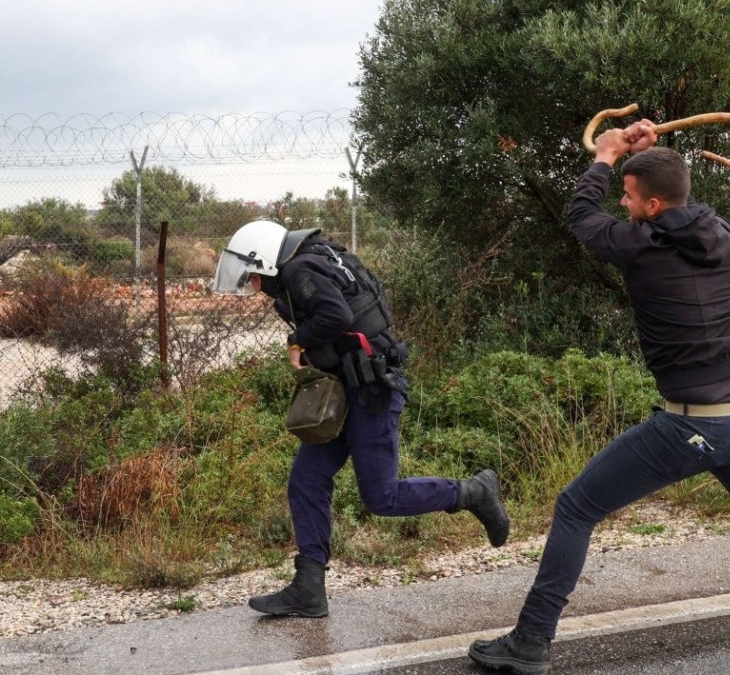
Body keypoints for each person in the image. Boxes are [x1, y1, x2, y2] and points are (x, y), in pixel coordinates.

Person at [467, 122, 730, 675]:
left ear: (651, 206)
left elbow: (582, 215)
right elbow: (679, 199)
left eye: (629, 198)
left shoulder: (641, 248)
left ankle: (529, 643)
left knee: (576, 506)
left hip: (695, 427)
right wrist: (647, 157)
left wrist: (605, 156)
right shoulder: (723, 232)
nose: (622, 205)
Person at [211, 220, 510, 617]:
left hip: (371, 390)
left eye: (252, 275)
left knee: (382, 497)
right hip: (345, 387)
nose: (252, 285)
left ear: (264, 260)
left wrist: (297, 341)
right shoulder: (311, 262)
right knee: (307, 480)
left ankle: (472, 492)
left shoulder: (299, 270)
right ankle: (308, 589)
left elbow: (335, 315)